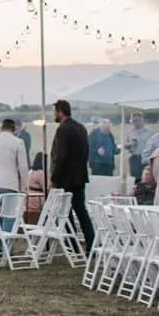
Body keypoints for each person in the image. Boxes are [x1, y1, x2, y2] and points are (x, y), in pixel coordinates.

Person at [50, 100, 94, 253]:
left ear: (61, 111)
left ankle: (73, 245)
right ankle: (90, 243)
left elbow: (60, 156)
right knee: (81, 212)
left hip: (65, 179)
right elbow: (86, 152)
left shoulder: (63, 130)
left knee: (65, 214)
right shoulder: (81, 128)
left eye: (55, 111)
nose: (54, 114)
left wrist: (54, 177)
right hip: (79, 177)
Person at [0, 119, 27, 226]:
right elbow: (23, 166)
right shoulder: (18, 142)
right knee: (9, 213)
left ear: (1, 128)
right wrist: (25, 186)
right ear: (14, 129)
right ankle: (5, 240)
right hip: (9, 181)